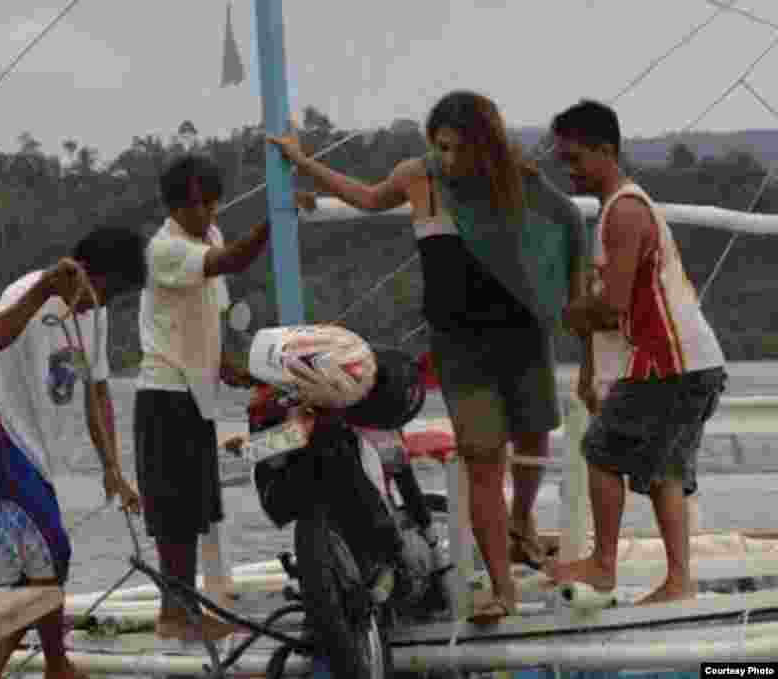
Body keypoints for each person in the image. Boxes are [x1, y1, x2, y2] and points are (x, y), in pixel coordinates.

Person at [268, 90, 588, 623]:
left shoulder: (514, 177)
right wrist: (304, 165)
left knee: (533, 436)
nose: (447, 159)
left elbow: (571, 223)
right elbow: (369, 198)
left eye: (457, 148)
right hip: (460, 345)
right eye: (438, 147)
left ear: (484, 145)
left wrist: (570, 297)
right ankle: (503, 589)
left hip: (524, 336)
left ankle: (523, 523)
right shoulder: (420, 176)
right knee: (483, 458)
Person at [549, 99, 727, 604]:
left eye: (576, 159)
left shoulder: (624, 212)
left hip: (670, 364)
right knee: (665, 471)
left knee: (602, 451)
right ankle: (679, 581)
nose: (570, 171)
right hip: (693, 362)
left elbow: (611, 309)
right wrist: (590, 362)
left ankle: (603, 566)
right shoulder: (623, 208)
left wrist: (564, 313)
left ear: (606, 151)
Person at [0, 226, 145, 679]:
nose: (101, 303)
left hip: (32, 454)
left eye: (113, 297)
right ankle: (54, 665)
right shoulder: (27, 290)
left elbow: (97, 394)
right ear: (84, 272)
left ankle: (0, 667)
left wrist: (113, 468)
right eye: (103, 290)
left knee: (36, 568)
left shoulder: (95, 319)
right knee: (51, 553)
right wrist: (46, 286)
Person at [134, 153, 271, 642]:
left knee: (192, 510)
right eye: (199, 205)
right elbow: (231, 260)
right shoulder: (165, 249)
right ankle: (176, 615)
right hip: (164, 394)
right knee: (174, 515)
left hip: (196, 393)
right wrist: (274, 219)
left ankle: (182, 610)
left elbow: (212, 313)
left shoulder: (207, 233)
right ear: (175, 207)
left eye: (214, 203)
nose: (210, 214)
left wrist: (234, 367)